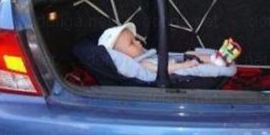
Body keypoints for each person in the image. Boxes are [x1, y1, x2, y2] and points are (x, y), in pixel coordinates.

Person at [97, 23, 237, 81]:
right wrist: (185, 65)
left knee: (190, 53)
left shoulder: (146, 56)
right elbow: (163, 70)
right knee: (195, 63)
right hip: (176, 71)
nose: (138, 42)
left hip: (175, 63)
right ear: (122, 55)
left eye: (135, 39)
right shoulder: (143, 64)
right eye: (131, 43)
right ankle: (218, 62)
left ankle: (216, 58)